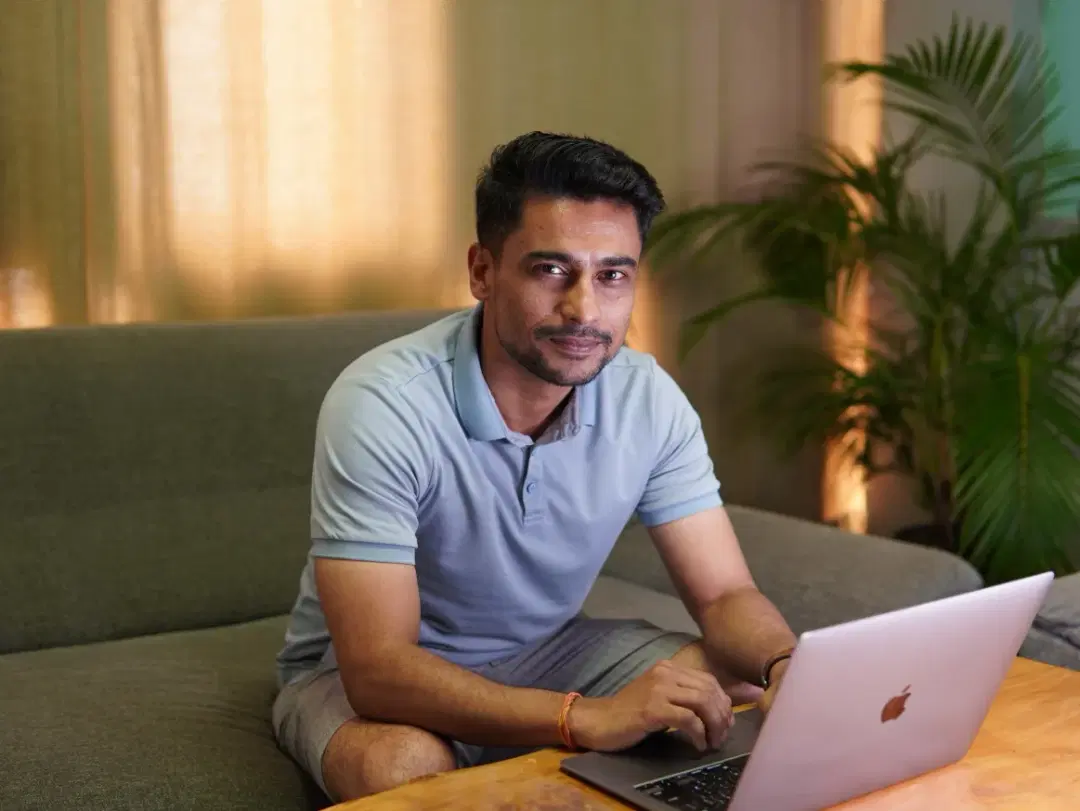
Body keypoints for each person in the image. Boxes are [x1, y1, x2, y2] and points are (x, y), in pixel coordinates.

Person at [271, 131, 797, 802]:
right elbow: (377, 668)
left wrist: (788, 664)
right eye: (551, 270)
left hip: (551, 649)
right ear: (482, 271)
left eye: (613, 274)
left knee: (731, 688)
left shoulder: (648, 398)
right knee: (398, 765)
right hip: (360, 673)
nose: (585, 309)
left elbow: (724, 595)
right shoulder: (382, 403)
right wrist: (582, 718)